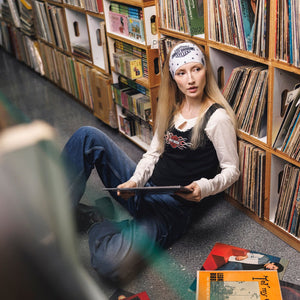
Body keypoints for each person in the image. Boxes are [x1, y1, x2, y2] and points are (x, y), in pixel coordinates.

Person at [62, 41, 240, 282]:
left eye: (196, 69)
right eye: (181, 72)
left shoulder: (217, 118)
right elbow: (153, 153)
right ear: (173, 78)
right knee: (87, 136)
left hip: (170, 212)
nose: (190, 79)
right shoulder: (172, 108)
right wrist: (135, 181)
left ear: (205, 70)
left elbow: (232, 170)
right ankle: (55, 215)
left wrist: (204, 187)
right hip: (145, 189)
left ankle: (97, 220)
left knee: (108, 264)